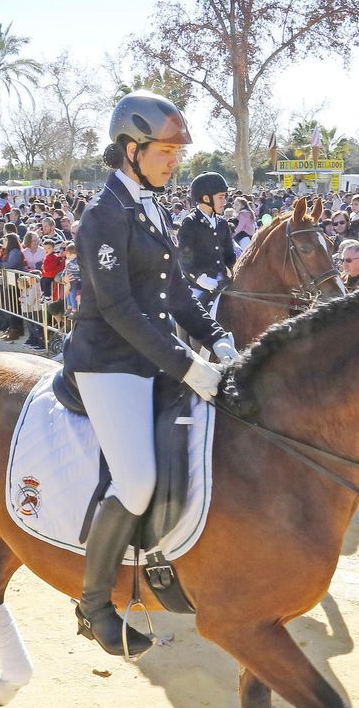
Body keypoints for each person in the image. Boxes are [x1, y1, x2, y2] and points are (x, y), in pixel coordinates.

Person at [65, 91, 238, 658]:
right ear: (130, 149)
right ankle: (94, 605)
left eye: (175, 152)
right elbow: (118, 309)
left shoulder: (153, 206)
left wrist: (216, 337)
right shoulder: (103, 215)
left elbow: (175, 295)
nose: (173, 161)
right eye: (164, 151)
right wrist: (189, 365)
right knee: (136, 481)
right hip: (108, 362)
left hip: (155, 356)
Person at [178, 171, 237, 302]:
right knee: (189, 318)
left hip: (223, 283)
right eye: (221, 197)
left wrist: (232, 272)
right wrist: (200, 279)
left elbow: (229, 255)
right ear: (206, 198)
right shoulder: (190, 223)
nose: (225, 201)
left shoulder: (222, 223)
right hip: (198, 286)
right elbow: (184, 259)